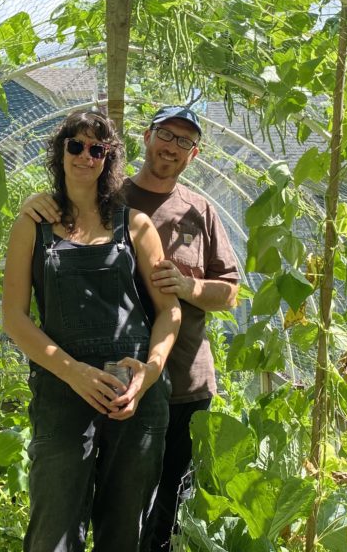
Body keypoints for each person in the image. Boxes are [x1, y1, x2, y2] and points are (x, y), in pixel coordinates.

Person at [20, 105, 240, 552]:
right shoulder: (105, 196)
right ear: (146, 136)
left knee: (149, 522)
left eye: (185, 141)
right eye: (167, 135)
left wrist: (187, 288)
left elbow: (228, 293)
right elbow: (17, 311)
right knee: (59, 518)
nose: (87, 156)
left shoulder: (197, 211)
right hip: (80, 379)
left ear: (193, 154)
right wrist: (33, 205)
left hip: (175, 381)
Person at [2, 110, 182, 552]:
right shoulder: (32, 226)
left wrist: (149, 374)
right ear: (60, 152)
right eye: (76, 145)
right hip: (63, 390)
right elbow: (14, 318)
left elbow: (169, 312)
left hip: (133, 393)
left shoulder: (135, 226)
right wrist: (74, 372)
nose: (86, 156)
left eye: (97, 149)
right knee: (53, 530)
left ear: (109, 159)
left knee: (125, 531)